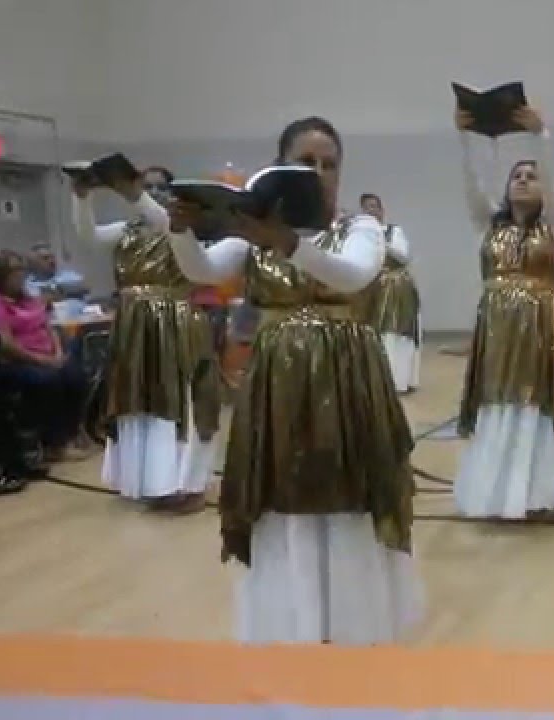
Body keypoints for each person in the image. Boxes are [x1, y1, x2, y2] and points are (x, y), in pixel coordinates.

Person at [165, 116, 422, 644]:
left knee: (349, 491)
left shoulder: (360, 228)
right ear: (281, 167)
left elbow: (352, 275)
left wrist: (286, 241)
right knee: (284, 496)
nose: (321, 172)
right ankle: (296, 625)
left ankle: (355, 624)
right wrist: (181, 229)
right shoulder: (252, 232)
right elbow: (203, 271)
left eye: (330, 163)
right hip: (278, 378)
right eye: (307, 162)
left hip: (347, 374)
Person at [453, 104, 554, 521]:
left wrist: (542, 139)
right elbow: (472, 189)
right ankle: (500, 493)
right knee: (500, 403)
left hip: (543, 328)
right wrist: (467, 139)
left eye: (530, 176)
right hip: (499, 329)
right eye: (516, 176)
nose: (523, 180)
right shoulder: (490, 228)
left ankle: (541, 492)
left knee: (539, 404)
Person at [71, 164, 218, 513]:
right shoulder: (128, 229)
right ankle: (146, 481)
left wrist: (135, 194)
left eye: (158, 187)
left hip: (174, 320)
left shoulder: (184, 228)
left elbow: (170, 229)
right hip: (134, 323)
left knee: (178, 401)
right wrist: (81, 196)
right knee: (134, 400)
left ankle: (184, 483)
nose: (151, 193)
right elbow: (88, 236)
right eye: (145, 187)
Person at [0, 250, 91, 463]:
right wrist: (41, 360)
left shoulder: (29, 299)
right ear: (0, 275)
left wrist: (57, 353)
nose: (21, 275)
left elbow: (48, 328)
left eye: (22, 270)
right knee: (48, 380)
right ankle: (53, 443)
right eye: (15, 271)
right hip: (15, 362)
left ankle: (71, 433)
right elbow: (5, 344)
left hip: (48, 356)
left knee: (75, 375)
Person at [356, 192, 421, 394]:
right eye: (366, 207)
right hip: (369, 288)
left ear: (382, 210)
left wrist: (380, 241)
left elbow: (403, 256)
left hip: (394, 288)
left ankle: (396, 381)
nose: (371, 211)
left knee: (393, 333)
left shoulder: (393, 232)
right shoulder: (358, 235)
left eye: (374, 206)